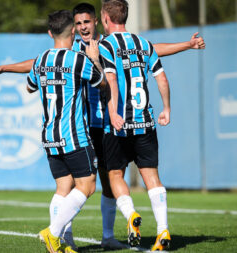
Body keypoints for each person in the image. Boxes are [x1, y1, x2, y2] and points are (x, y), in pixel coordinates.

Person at [0, 2, 205, 250]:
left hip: (107, 124)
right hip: (88, 125)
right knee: (79, 184)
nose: (82, 28)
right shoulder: (76, 51)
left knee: (108, 181)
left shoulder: (106, 45)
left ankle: (107, 237)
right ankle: (63, 237)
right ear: (73, 28)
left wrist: (187, 45)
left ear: (97, 21)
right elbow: (37, 63)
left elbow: (154, 50)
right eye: (77, 24)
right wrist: (5, 68)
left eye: (86, 22)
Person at [26, 10, 104, 253]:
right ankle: (53, 232)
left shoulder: (40, 60)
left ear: (50, 33)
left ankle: (61, 244)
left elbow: (30, 87)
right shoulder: (77, 59)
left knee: (63, 188)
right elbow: (101, 82)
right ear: (73, 31)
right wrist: (95, 58)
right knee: (88, 186)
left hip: (50, 136)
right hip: (74, 135)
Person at [98, 0, 172, 250]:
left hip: (119, 125)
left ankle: (130, 216)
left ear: (106, 18)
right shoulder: (143, 43)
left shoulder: (106, 44)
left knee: (115, 174)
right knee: (151, 175)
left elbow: (111, 80)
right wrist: (167, 108)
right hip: (146, 121)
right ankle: (163, 232)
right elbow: (161, 77)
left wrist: (113, 113)